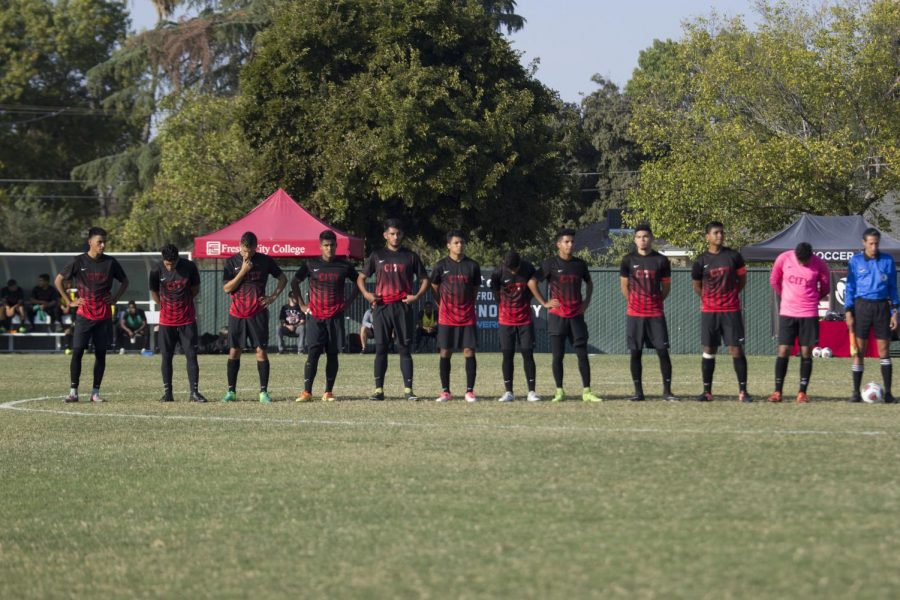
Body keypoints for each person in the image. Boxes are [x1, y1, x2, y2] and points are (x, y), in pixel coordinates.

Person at [357, 218, 429, 401]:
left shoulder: (411, 256)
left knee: (404, 348)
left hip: (402, 307)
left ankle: (408, 390)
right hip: (381, 308)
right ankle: (379, 390)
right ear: (385, 235)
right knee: (381, 347)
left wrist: (417, 296)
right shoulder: (376, 255)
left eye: (398, 234)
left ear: (402, 235)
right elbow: (361, 278)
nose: (395, 237)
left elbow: (425, 280)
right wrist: (367, 294)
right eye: (392, 234)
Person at [55, 227, 129, 403]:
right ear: (90, 242)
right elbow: (58, 280)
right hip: (84, 315)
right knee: (78, 352)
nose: (103, 245)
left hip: (103, 316)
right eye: (99, 242)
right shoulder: (78, 261)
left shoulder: (111, 263)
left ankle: (95, 392)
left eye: (104, 242)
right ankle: (73, 391)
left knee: (101, 354)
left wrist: (115, 298)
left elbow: (125, 281)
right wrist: (69, 301)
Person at [292, 230, 359, 402]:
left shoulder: (344, 265)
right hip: (316, 316)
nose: (329, 248)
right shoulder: (310, 264)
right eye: (326, 245)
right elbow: (294, 282)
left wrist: (348, 303)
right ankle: (307, 392)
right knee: (313, 353)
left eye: (332, 245)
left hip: (335, 317)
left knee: (332, 353)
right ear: (320, 246)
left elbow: (360, 282)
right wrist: (301, 305)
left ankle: (328, 392)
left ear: (337, 246)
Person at [221, 231, 287, 403]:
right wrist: (243, 271)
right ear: (240, 246)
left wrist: (273, 297)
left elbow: (283, 278)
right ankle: (231, 392)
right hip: (237, 313)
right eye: (244, 250)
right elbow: (227, 288)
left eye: (250, 251)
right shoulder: (231, 262)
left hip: (257, 313)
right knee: (235, 351)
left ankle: (263, 392)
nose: (247, 254)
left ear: (256, 247)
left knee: (261, 351)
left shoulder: (265, 260)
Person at [540, 229, 602, 402]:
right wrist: (544, 303)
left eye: (572, 241)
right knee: (557, 356)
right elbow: (532, 282)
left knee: (582, 354)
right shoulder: (550, 263)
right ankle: (559, 391)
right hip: (557, 316)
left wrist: (587, 301)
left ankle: (587, 391)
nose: (570, 244)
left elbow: (589, 283)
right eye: (566, 241)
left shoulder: (580, 264)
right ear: (558, 244)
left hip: (576, 316)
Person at [691, 221, 751, 402]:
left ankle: (743, 392)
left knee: (736, 349)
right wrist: (709, 299)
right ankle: (707, 392)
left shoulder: (734, 256)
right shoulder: (700, 260)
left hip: (731, 310)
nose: (720, 236)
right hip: (710, 312)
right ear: (707, 236)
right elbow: (696, 285)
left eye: (722, 233)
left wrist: (730, 296)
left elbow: (742, 280)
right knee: (709, 349)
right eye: (716, 233)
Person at [619, 224, 678, 401]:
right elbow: (624, 286)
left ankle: (667, 392)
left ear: (651, 238)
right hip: (635, 315)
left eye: (645, 236)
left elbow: (666, 287)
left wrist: (656, 301)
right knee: (635, 352)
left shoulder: (661, 261)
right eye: (638, 236)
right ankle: (638, 393)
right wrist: (634, 303)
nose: (642, 239)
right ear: (634, 239)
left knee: (662, 351)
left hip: (655, 314)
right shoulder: (627, 260)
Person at [767, 243, 831, 404]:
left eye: (806, 260)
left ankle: (802, 392)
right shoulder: (784, 258)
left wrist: (812, 299)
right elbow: (774, 280)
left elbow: (825, 287)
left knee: (806, 352)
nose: (803, 263)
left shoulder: (819, 263)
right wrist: (787, 296)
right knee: (784, 350)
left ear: (811, 256)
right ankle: (777, 392)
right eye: (800, 260)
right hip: (788, 312)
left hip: (808, 313)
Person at [490, 250, 558, 402]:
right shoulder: (498, 272)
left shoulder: (528, 269)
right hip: (505, 320)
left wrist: (526, 301)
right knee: (507, 354)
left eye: (515, 268)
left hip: (525, 319)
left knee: (528, 353)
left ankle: (531, 392)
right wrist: (502, 304)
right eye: (510, 269)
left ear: (520, 264)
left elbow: (532, 289)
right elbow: (495, 290)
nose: (513, 271)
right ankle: (509, 392)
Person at [844, 228, 899, 403]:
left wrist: (895, 312)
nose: (874, 247)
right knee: (859, 351)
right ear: (864, 243)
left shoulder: (888, 261)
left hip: (882, 307)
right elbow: (850, 288)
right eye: (871, 243)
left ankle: (889, 393)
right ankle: (855, 392)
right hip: (862, 307)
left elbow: (893, 288)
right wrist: (848, 311)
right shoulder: (856, 261)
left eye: (876, 243)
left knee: (884, 351)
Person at [150, 244, 207, 403]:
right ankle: (168, 393)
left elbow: (195, 289)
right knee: (166, 357)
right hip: (166, 321)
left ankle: (194, 393)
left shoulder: (189, 267)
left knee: (191, 355)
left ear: (177, 259)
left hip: (187, 320)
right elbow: (154, 291)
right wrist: (164, 306)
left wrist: (184, 302)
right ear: (163, 260)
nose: (170, 266)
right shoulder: (156, 270)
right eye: (167, 264)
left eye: (173, 263)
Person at [431, 230, 481, 402]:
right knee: (445, 351)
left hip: (467, 316)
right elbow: (434, 288)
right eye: (456, 242)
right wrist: (442, 304)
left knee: (469, 351)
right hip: (446, 317)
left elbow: (474, 290)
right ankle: (445, 391)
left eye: (462, 242)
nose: (460, 245)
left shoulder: (473, 266)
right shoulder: (440, 266)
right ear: (449, 245)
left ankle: (469, 391)